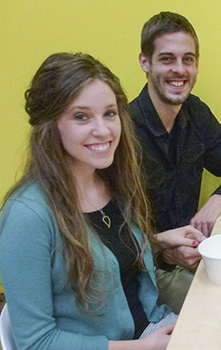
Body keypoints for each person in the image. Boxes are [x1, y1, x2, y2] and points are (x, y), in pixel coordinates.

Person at [0, 53, 177, 349]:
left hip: (154, 327)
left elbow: (104, 262)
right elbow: (36, 343)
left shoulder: (110, 181)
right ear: (50, 125)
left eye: (109, 113)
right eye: (81, 116)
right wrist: (143, 347)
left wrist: (158, 243)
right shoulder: (26, 217)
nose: (103, 130)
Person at [129, 11, 221, 313]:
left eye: (188, 59)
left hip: (194, 254)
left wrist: (217, 199)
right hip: (143, 272)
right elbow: (105, 239)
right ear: (144, 62)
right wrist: (161, 246)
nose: (179, 69)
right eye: (167, 59)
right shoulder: (122, 131)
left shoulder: (195, 112)